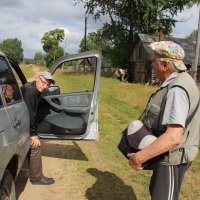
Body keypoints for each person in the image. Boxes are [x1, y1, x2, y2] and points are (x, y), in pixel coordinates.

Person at [127, 41, 200, 200]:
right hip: (167, 156)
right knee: (157, 191)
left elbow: (173, 137)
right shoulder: (179, 80)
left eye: (154, 60)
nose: (151, 64)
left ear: (165, 65)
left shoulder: (176, 90)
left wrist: (140, 157)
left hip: (172, 159)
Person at [21, 72, 55, 185]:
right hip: (18, 122)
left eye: (48, 85)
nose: (45, 86)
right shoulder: (31, 91)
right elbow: (30, 114)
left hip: (17, 118)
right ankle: (36, 177)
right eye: (44, 82)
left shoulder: (31, 87)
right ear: (36, 78)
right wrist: (32, 135)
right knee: (36, 145)